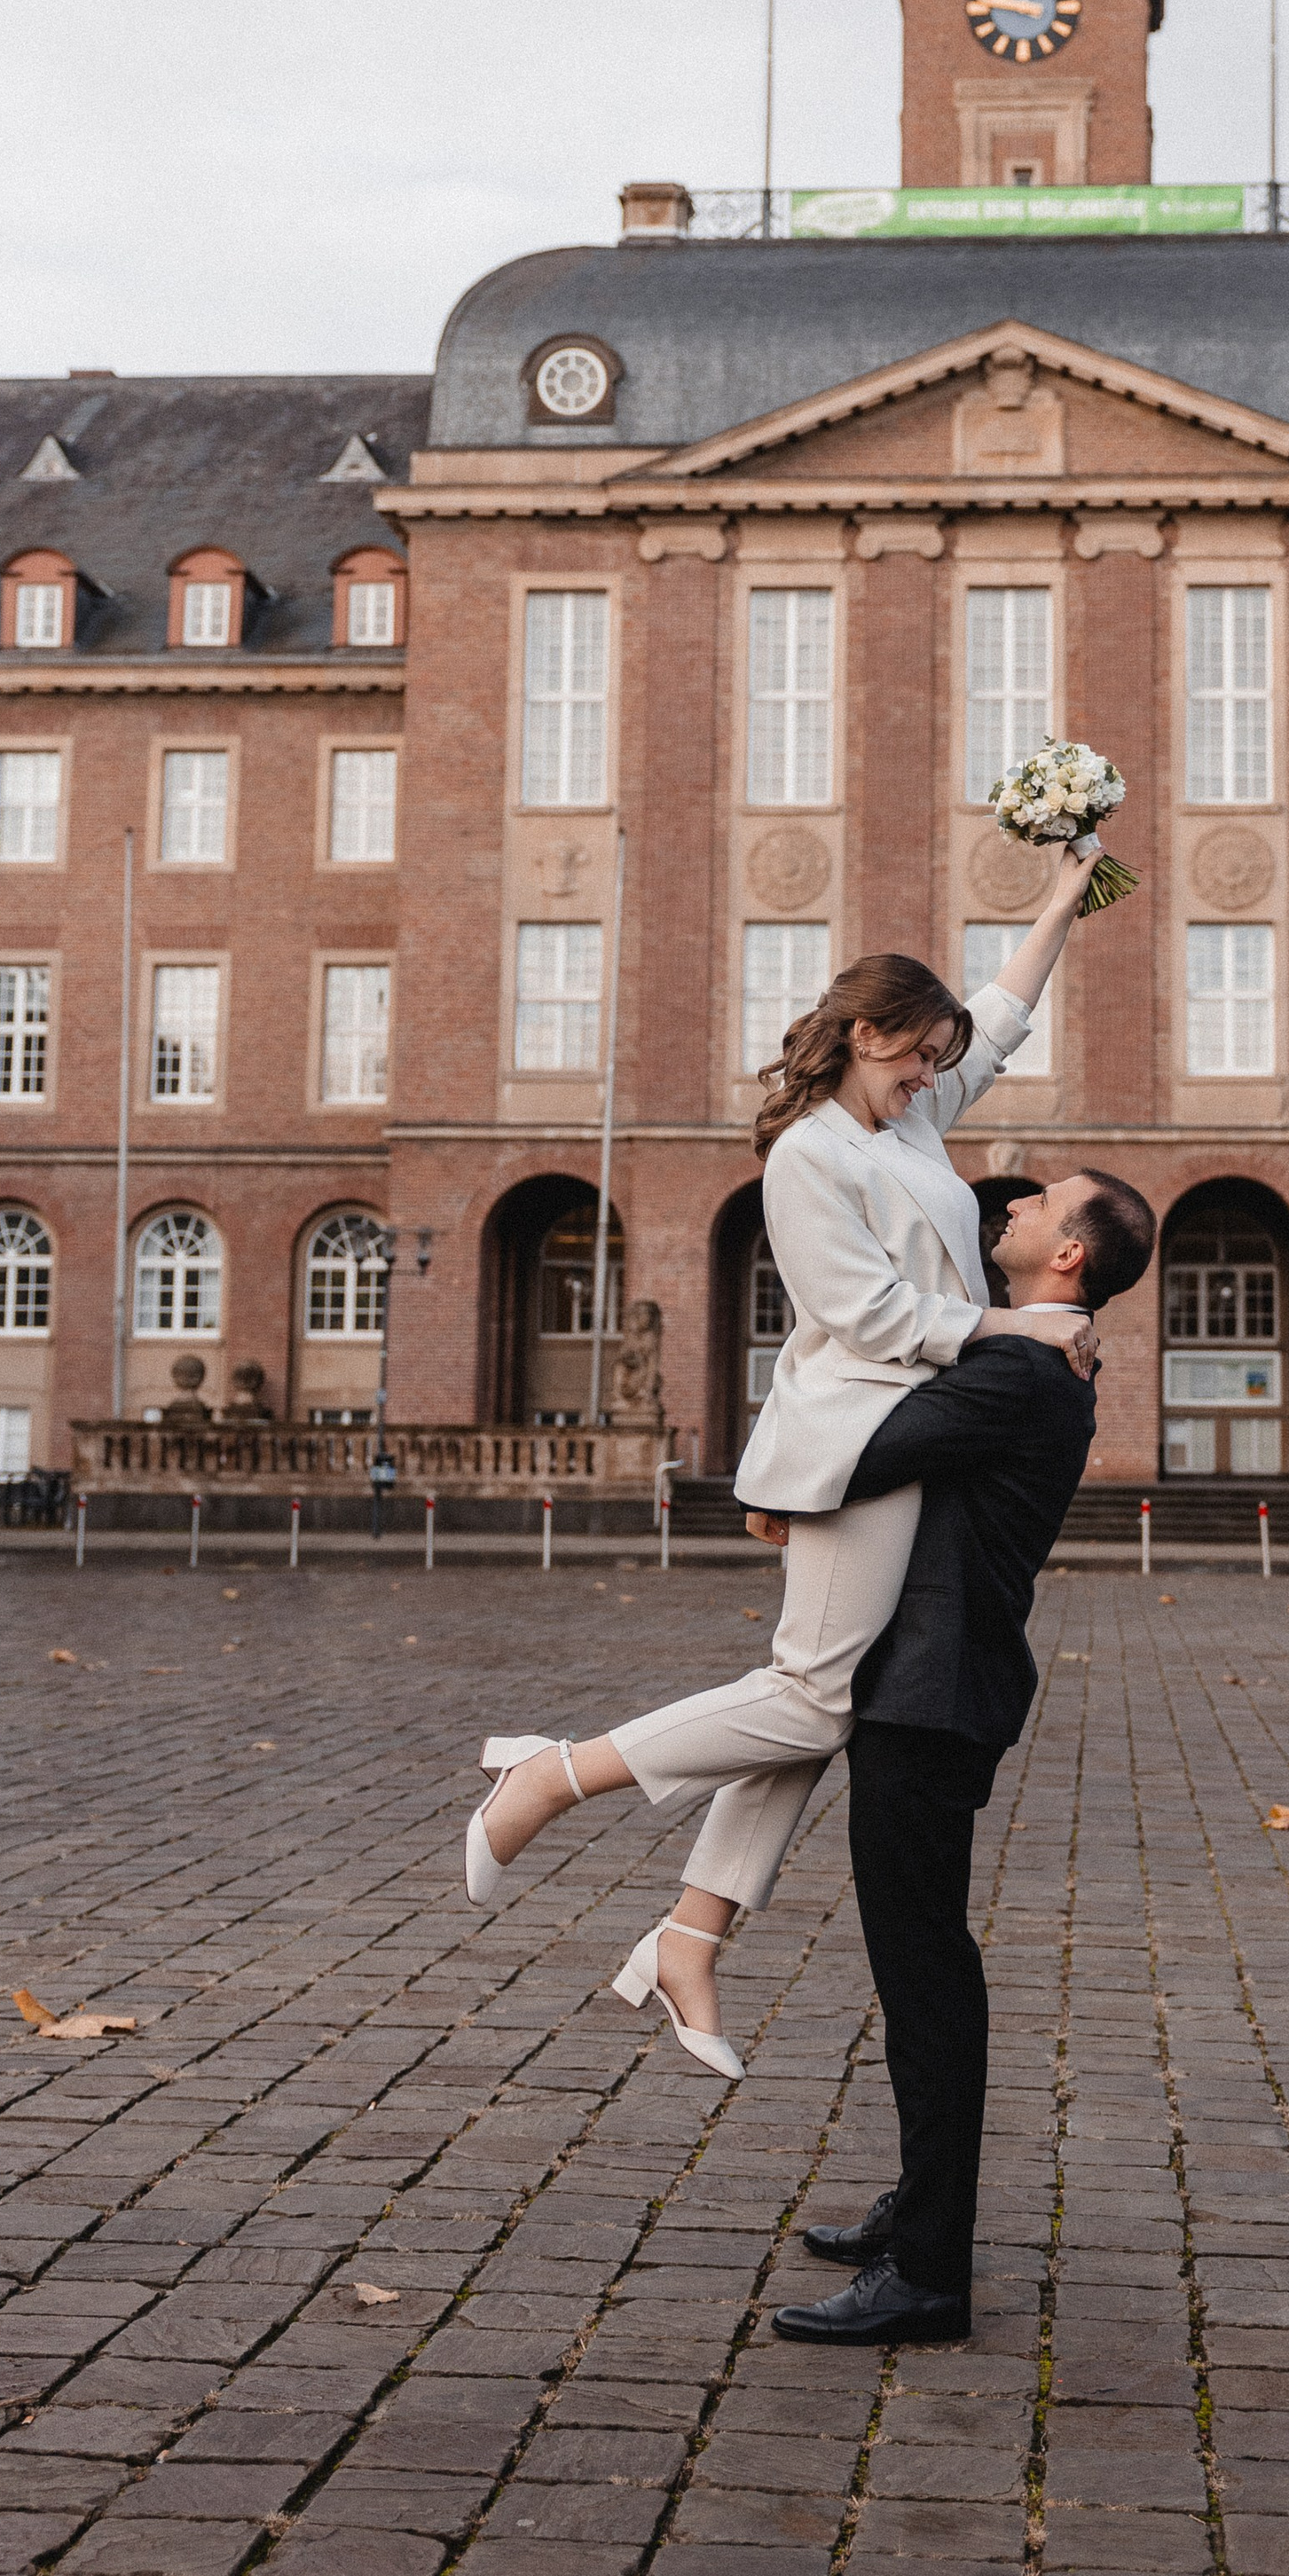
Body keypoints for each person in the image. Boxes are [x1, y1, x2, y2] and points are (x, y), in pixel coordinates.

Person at [460, 851, 1106, 2075]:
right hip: (855, 1438)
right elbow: (862, 1312)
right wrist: (1013, 1324)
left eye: (937, 1062)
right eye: (917, 1054)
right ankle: (555, 1775)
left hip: (916, 1435)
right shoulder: (810, 1154)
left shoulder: (907, 1119)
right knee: (812, 1698)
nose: (934, 1076)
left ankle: (691, 1934)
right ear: (866, 1034)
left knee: (821, 1698)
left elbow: (1007, 1019)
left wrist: (1062, 904)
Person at [771, 1165, 1158, 2344]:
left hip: (932, 1696)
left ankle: (930, 2264)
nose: (1015, 1215)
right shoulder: (1040, 1353)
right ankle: (916, 2209)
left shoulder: (1018, 1370)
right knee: (918, 1972)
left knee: (926, 1975)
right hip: (938, 1684)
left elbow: (863, 1448)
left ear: (1070, 1259)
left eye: (1041, 1211)